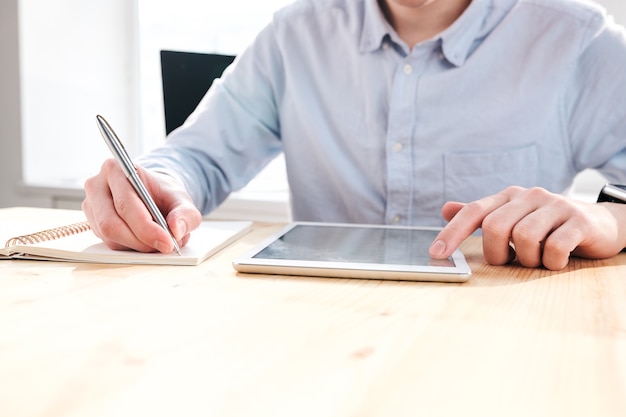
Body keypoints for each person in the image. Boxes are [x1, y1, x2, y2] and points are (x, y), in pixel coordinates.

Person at [82, 0, 626, 271]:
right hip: (323, 336)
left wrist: (609, 218)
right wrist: (155, 186)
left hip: (502, 339)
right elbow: (197, 157)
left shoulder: (578, 40)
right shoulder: (296, 32)